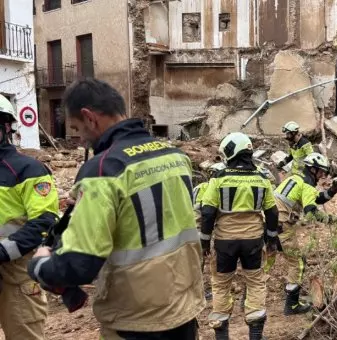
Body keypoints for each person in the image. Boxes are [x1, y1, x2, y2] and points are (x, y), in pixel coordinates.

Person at [27, 79, 204, 340]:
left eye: (77, 128)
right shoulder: (174, 156)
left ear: (90, 118)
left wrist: (40, 264)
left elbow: (80, 264)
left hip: (135, 319)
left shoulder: (102, 169)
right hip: (184, 307)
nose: (80, 140)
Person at [200, 132, 280, 340]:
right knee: (255, 283)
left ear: (230, 152)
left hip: (225, 242)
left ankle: (221, 335)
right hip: (253, 240)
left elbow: (207, 212)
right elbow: (272, 212)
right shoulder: (262, 177)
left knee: (220, 284)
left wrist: (204, 241)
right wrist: (271, 239)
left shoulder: (219, 178)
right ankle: (254, 334)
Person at [0, 96, 58, 339]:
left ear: (5, 127)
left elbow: (45, 221)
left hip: (16, 275)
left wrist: (3, 251)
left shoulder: (28, 170)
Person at [270, 152, 337, 315]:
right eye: (321, 172)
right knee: (297, 262)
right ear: (313, 169)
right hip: (282, 224)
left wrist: (332, 190)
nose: (322, 176)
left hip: (269, 221)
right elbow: (311, 212)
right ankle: (291, 306)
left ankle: (247, 298)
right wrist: (333, 220)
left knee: (267, 260)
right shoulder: (306, 184)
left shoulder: (296, 178)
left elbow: (316, 198)